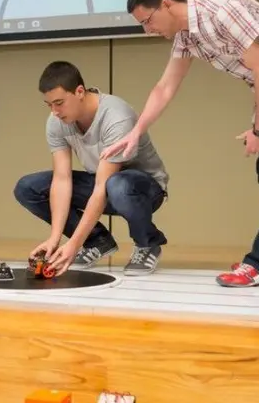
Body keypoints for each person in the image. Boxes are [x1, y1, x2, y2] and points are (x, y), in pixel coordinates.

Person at [101, 0, 259, 287]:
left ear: (166, 4)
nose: (148, 30)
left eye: (148, 20)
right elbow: (165, 87)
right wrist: (136, 131)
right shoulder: (186, 36)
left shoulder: (221, 14)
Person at [14, 61, 169, 276]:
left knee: (117, 185)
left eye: (59, 102)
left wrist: (73, 245)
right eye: (49, 105)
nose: (55, 111)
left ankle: (147, 243)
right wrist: (55, 238)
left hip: (142, 189)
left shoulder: (116, 116)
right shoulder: (56, 121)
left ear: (79, 92)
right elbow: (61, 180)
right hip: (102, 182)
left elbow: (102, 187)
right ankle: (97, 241)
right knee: (28, 187)